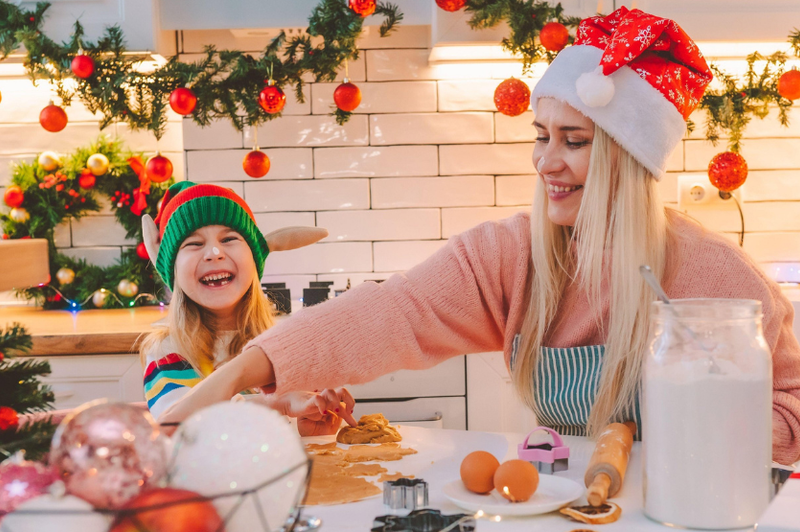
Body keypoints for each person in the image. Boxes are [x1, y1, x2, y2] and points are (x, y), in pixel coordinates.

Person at [159, 8, 800, 464]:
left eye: (575, 142)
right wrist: (232, 377)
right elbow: (394, 312)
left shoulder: (721, 282)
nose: (546, 161)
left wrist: (706, 427)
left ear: (630, 161)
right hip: (567, 502)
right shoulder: (510, 257)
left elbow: (791, 410)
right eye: (542, 137)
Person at [139, 181, 357, 435]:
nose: (214, 252)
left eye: (229, 238)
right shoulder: (168, 353)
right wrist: (277, 406)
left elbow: (274, 444)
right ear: (173, 271)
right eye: (194, 244)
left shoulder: (280, 347)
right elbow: (180, 431)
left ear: (255, 258)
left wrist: (307, 429)